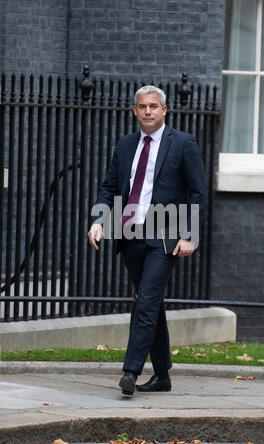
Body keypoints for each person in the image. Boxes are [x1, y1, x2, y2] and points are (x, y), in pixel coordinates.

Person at [88, 85, 206, 396]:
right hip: (133, 235)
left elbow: (197, 192)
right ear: (135, 110)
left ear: (165, 110)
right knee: (151, 303)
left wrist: (190, 235)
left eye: (154, 106)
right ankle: (163, 375)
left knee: (146, 301)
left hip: (165, 236)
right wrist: (99, 221)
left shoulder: (182, 143)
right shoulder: (126, 145)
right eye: (143, 106)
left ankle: (130, 370)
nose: (149, 111)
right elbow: (109, 186)